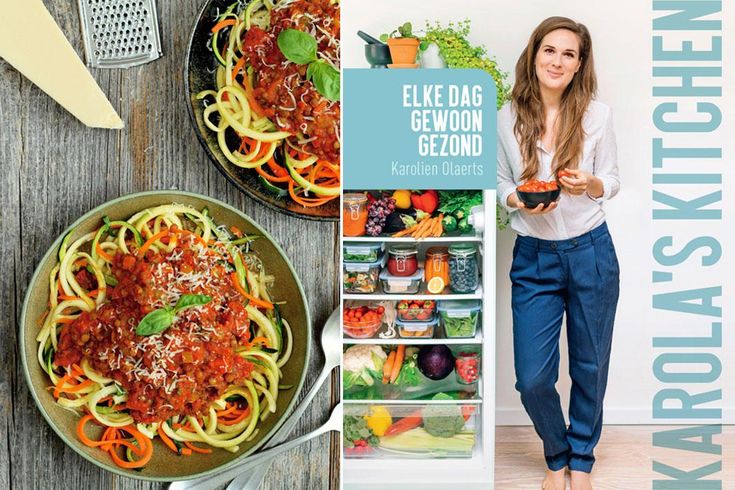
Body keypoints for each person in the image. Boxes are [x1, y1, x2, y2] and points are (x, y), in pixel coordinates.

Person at [496, 16, 620, 490]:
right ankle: (556, 451)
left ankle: (582, 461)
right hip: (534, 257)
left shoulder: (596, 115)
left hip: (591, 251)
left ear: (579, 64)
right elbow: (501, 183)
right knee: (532, 379)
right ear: (534, 54)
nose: (557, 60)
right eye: (550, 50)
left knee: (590, 364)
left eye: (569, 54)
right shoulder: (506, 118)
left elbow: (612, 179)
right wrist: (518, 199)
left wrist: (589, 184)